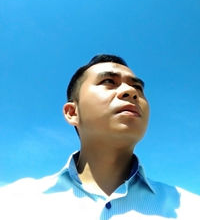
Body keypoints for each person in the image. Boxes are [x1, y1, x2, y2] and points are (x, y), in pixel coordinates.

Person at [0, 54, 199, 220]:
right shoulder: (12, 202)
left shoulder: (191, 208)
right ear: (72, 113)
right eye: (108, 82)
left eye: (137, 88)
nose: (130, 92)